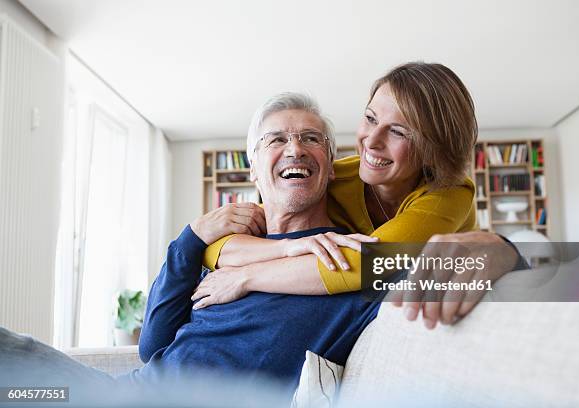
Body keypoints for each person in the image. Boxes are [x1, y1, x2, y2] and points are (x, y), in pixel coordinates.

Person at [0, 93, 382, 400]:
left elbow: (437, 271)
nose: (295, 148)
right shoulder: (225, 251)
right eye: (277, 139)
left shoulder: (346, 255)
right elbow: (153, 346)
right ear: (253, 167)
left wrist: (445, 241)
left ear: (331, 166)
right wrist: (192, 238)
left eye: (311, 138)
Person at [196, 62, 523, 329]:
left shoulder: (449, 192)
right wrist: (282, 246)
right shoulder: (335, 176)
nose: (371, 141)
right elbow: (220, 247)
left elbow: (366, 264)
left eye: (398, 131)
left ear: (431, 151)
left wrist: (245, 277)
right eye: (370, 118)